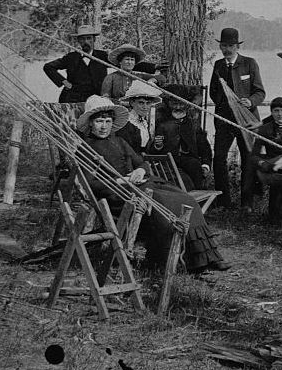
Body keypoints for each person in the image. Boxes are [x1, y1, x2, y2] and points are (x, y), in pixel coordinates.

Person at [76, 95, 230, 273]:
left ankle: (207, 257)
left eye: (108, 121)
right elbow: (90, 184)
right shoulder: (86, 148)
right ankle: (174, 261)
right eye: (99, 121)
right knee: (164, 203)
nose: (104, 126)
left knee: (186, 198)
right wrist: (121, 180)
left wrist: (140, 170)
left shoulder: (119, 141)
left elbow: (142, 162)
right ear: (90, 124)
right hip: (118, 194)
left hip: (141, 185)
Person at [208, 27, 265, 210]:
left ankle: (246, 203)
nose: (227, 49)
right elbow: (213, 92)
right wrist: (225, 106)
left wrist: (250, 101)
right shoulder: (218, 65)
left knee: (248, 159)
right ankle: (223, 202)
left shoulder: (249, 63)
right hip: (224, 121)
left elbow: (260, 92)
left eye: (231, 46)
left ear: (237, 46)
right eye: (224, 45)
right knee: (218, 158)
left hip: (246, 121)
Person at [247, 97, 282, 221]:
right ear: (271, 112)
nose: (280, 114)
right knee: (277, 182)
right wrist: (262, 163)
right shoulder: (264, 129)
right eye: (276, 111)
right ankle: (275, 218)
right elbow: (253, 156)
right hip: (272, 167)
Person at [150, 84, 212, 190]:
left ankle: (199, 200)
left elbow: (205, 148)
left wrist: (206, 165)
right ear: (168, 104)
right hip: (168, 162)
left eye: (181, 104)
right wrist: (158, 146)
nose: (178, 107)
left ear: (187, 105)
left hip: (190, 162)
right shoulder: (162, 124)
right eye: (174, 104)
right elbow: (153, 151)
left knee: (195, 166)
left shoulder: (193, 125)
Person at [43, 25, 109, 103]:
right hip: (73, 98)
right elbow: (48, 67)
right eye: (82, 39)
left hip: (96, 98)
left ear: (94, 39)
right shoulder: (71, 57)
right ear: (78, 41)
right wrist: (64, 82)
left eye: (89, 38)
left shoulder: (102, 56)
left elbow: (121, 66)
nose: (86, 42)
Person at [116, 79, 162, 154]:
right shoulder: (126, 123)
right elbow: (125, 151)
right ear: (132, 103)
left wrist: (157, 145)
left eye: (148, 103)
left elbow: (146, 148)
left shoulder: (144, 123)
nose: (145, 107)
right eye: (141, 103)